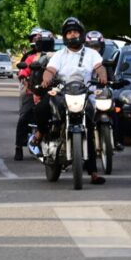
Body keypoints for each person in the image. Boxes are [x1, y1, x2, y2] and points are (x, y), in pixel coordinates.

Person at [33, 17, 108, 184]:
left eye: (75, 31)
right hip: (61, 92)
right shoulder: (59, 55)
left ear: (81, 34)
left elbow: (100, 67)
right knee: (41, 108)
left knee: (88, 126)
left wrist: (103, 76)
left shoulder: (92, 54)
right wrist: (46, 79)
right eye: (69, 32)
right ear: (65, 36)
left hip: (84, 93)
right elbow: (50, 70)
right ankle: (41, 132)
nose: (72, 35)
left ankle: (93, 172)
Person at [14, 29, 55, 160]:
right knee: (24, 116)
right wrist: (23, 77)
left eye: (48, 42)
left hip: (54, 92)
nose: (45, 44)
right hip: (33, 91)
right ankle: (19, 146)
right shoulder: (31, 57)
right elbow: (24, 70)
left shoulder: (58, 56)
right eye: (42, 42)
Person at [84, 30, 124, 151]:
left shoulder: (106, 63)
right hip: (85, 96)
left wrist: (117, 82)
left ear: (102, 47)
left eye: (96, 47)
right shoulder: (81, 64)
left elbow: (112, 79)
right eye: (91, 47)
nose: (94, 50)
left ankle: (116, 140)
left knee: (115, 111)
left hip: (102, 95)